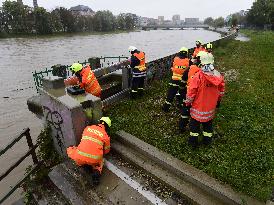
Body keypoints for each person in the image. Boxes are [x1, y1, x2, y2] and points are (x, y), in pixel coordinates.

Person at [184, 52, 225, 148]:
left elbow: (191, 93)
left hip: (198, 109)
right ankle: (207, 142)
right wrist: (218, 102)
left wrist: (188, 103)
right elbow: (221, 91)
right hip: (210, 109)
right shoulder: (218, 76)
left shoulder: (198, 76)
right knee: (208, 126)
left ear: (201, 63)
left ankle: (193, 144)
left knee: (194, 128)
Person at [67, 117, 111, 185]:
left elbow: (85, 141)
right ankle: (96, 171)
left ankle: (83, 164)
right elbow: (106, 151)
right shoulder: (105, 136)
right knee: (100, 160)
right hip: (94, 160)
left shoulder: (88, 128)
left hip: (79, 157)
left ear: (99, 122)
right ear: (107, 127)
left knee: (71, 149)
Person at [178, 51, 206, 132]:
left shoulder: (190, 68)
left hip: (189, 93)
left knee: (185, 111)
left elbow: (183, 82)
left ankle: (181, 127)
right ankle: (196, 128)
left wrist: (182, 93)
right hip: (200, 96)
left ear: (197, 60)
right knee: (197, 113)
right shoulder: (207, 71)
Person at [162, 47, 190, 112]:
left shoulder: (175, 59)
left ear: (179, 52)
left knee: (170, 94)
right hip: (182, 82)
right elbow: (189, 71)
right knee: (182, 94)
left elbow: (172, 68)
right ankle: (181, 107)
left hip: (174, 80)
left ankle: (166, 108)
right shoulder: (188, 61)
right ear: (186, 53)